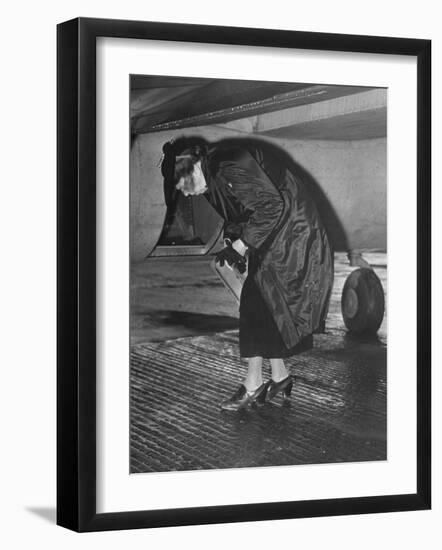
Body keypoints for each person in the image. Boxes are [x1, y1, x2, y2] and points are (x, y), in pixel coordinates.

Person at [161, 137, 334, 411]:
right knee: (264, 304)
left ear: (192, 169)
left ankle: (253, 384)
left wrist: (243, 245)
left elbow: (271, 206)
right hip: (274, 230)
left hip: (290, 229)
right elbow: (239, 213)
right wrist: (233, 243)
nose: (185, 194)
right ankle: (280, 377)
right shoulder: (211, 175)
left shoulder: (227, 163)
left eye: (182, 186)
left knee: (255, 304)